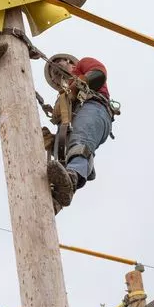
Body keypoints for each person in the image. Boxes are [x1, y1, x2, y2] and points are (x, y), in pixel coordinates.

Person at [44, 53, 114, 209]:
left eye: (57, 64)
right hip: (74, 120)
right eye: (51, 74)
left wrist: (75, 88)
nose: (53, 72)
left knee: (80, 141)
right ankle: (56, 200)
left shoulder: (83, 64)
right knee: (63, 157)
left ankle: (74, 175)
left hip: (93, 107)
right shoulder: (62, 99)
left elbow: (98, 74)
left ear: (69, 62)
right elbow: (66, 142)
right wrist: (53, 141)